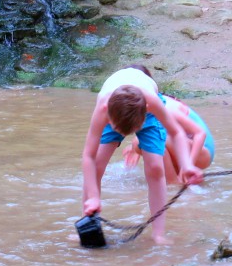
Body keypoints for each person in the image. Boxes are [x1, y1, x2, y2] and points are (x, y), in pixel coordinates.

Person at [81, 65, 204, 244]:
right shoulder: (103, 107)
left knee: (155, 168)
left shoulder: (152, 103)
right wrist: (93, 196)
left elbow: (176, 132)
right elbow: (88, 156)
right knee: (98, 164)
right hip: (117, 113)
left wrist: (186, 165)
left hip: (144, 114)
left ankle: (158, 234)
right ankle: (88, 223)